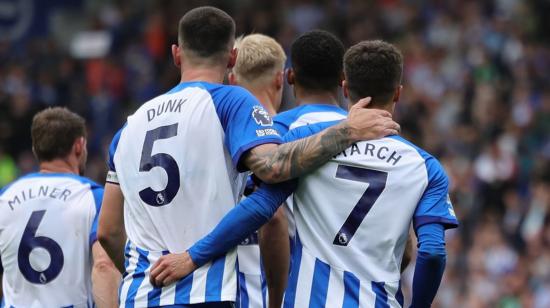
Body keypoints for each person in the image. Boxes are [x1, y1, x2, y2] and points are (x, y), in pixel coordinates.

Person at [98, 6, 399, 308]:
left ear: (177, 54)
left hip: (140, 293)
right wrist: (346, 130)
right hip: (206, 292)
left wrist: (148, 275)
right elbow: (273, 167)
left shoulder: (129, 126)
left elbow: (108, 231)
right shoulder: (229, 100)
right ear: (232, 58)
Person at [153, 40, 459, 308]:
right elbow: (431, 252)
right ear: (399, 93)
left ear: (345, 87)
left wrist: (192, 256)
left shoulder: (308, 142)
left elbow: (260, 207)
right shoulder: (425, 166)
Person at [0, 107, 120, 308]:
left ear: (35, 149)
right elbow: (104, 266)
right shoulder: (92, 197)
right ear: (79, 146)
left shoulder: (5, 197)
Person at [228, 33, 288, 308]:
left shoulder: (217, 138)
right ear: (280, 79)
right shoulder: (298, 140)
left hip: (221, 288)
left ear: (231, 81)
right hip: (275, 292)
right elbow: (274, 217)